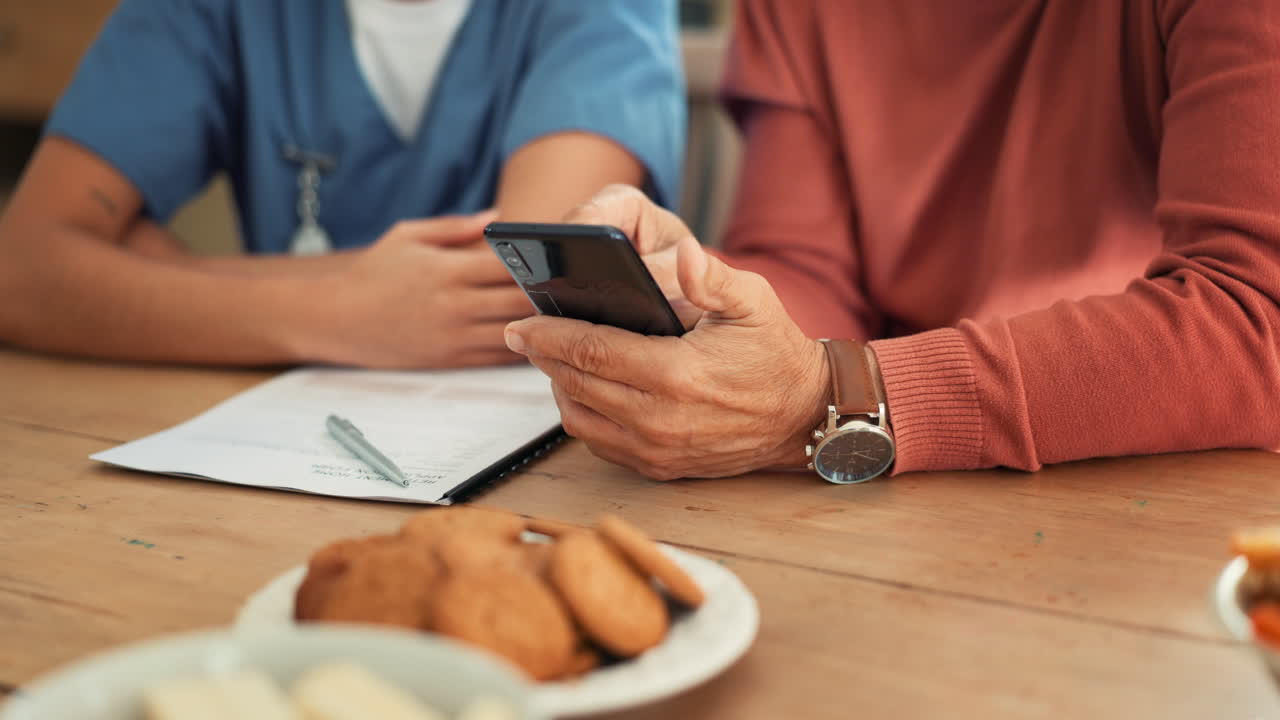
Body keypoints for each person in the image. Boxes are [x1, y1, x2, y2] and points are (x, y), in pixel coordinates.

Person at [502, 0, 1280, 481]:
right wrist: (700, 290)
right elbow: (810, 269)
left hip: (1159, 499)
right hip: (903, 495)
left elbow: (1256, 322)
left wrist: (843, 397)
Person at [0, 0, 684, 369]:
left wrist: (142, 276)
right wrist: (332, 312)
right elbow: (22, 272)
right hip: (255, 438)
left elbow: (532, 283)